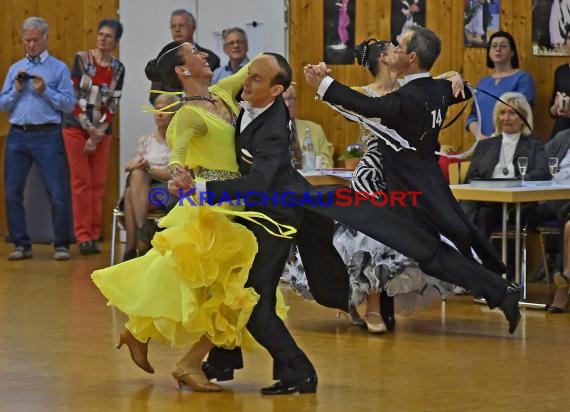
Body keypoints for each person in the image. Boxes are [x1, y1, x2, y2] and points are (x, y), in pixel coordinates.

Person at [303, 26, 522, 335]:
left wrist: (323, 83)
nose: (396, 49)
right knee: (432, 254)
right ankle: (500, 290)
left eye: (401, 47)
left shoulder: (405, 99)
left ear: (411, 57)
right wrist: (456, 77)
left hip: (407, 192)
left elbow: (369, 109)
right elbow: (461, 91)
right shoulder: (437, 90)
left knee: (427, 252)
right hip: (424, 185)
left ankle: (499, 289)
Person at [175, 53, 320, 395]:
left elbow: (257, 184)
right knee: (237, 288)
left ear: (275, 91)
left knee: (254, 300)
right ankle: (224, 362)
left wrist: (198, 188)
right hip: (253, 213)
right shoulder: (251, 103)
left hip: (276, 219)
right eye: (248, 75)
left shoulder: (272, 129)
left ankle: (301, 373)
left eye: (256, 79)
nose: (247, 82)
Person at [0, 16, 75, 261]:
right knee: (12, 192)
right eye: (27, 40)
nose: (30, 44)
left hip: (47, 135)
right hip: (17, 135)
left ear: (45, 38)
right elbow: (2, 104)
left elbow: (69, 104)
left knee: (57, 192)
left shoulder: (58, 68)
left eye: (35, 40)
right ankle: (21, 244)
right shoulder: (15, 69)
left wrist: (46, 92)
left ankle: (61, 244)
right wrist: (16, 90)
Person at [62, 19, 125, 255]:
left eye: (108, 36)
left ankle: (95, 232)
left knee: (98, 184)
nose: (103, 39)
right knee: (81, 183)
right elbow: (74, 97)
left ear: (116, 41)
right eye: (100, 34)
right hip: (76, 127)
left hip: (101, 131)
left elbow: (114, 102)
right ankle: (83, 236)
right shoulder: (82, 59)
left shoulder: (119, 68)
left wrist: (97, 133)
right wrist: (90, 130)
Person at [462, 92, 549, 239]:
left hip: (518, 206)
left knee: (478, 213)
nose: (506, 118)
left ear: (523, 118)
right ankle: (473, 254)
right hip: (487, 201)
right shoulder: (484, 145)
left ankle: (469, 254)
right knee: (481, 212)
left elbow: (543, 172)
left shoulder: (535, 146)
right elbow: (470, 179)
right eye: (502, 113)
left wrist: (516, 181)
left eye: (512, 113)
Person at [120, 94, 179, 261]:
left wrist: (149, 169)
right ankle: (144, 230)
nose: (159, 114)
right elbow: (133, 164)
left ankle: (131, 250)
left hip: (169, 190)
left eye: (165, 110)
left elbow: (174, 174)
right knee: (136, 176)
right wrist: (133, 166)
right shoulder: (145, 140)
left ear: (174, 114)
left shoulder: (179, 142)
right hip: (145, 190)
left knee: (132, 194)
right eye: (157, 109)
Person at [466, 31, 535, 140]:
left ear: (512, 52)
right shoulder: (483, 83)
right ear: (489, 52)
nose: (498, 49)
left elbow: (521, 113)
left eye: (503, 46)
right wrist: (481, 137)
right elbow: (472, 117)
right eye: (494, 46)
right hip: (485, 145)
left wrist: (496, 140)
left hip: (513, 144)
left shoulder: (523, 78)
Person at [149, 9, 220, 104]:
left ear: (193, 28)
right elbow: (154, 96)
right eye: (173, 26)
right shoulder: (164, 59)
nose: (177, 29)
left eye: (181, 25)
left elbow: (216, 92)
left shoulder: (211, 58)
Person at [282, 84, 334, 169]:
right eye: (282, 99)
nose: (287, 104)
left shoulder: (315, 129)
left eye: (290, 98)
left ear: (295, 101)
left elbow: (327, 165)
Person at [548, 25, 570, 138]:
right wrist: (556, 108)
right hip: (561, 132)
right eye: (569, 38)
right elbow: (551, 112)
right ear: (566, 44)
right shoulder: (560, 71)